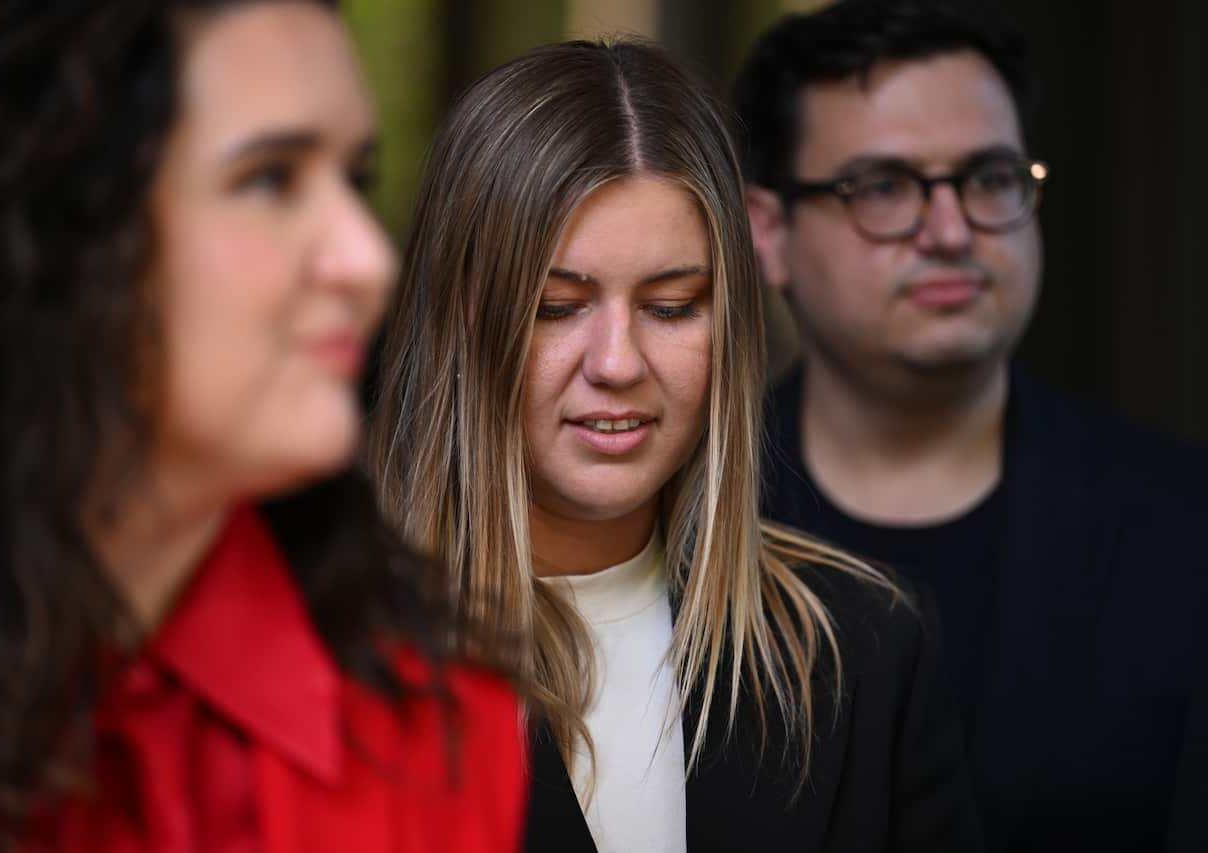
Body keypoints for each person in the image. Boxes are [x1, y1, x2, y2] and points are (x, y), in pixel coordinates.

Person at [0, 2, 525, 850]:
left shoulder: (437, 725)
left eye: (355, 181)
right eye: (270, 179)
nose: (368, 259)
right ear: (63, 230)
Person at [370, 39, 982, 853]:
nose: (617, 363)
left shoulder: (862, 653)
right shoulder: (323, 660)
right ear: (459, 320)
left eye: (671, 305)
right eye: (556, 307)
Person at [733, 2, 1208, 850]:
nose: (951, 232)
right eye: (883, 187)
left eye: (989, 178)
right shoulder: (682, 530)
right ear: (768, 231)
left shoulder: (1183, 528)